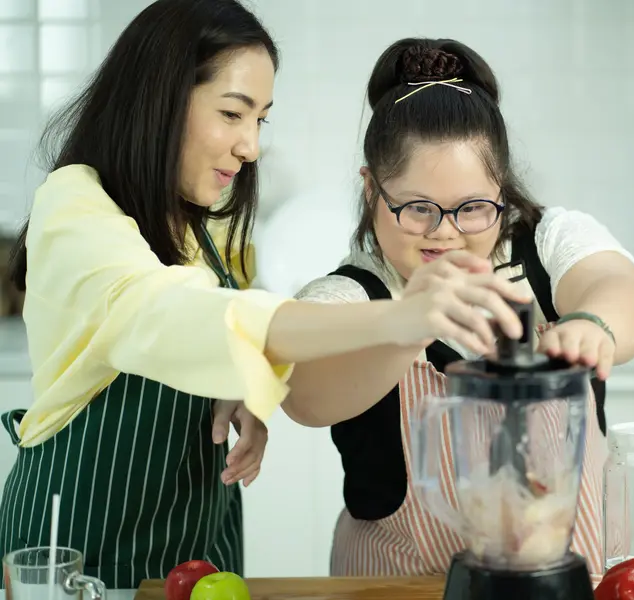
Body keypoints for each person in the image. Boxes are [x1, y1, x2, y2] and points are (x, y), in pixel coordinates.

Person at [0, 6, 528, 589]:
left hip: (200, 540)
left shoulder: (205, 219)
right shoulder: (74, 204)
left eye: (261, 121)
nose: (250, 146)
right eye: (232, 113)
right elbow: (164, 313)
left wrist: (244, 380)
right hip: (81, 543)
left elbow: (229, 322)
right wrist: (401, 318)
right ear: (160, 99)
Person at [288, 38, 634, 583]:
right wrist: (410, 323)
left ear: (500, 189)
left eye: (473, 208)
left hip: (572, 575)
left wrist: (592, 324)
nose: (447, 233)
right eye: (417, 209)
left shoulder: (547, 244)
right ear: (371, 192)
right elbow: (305, 393)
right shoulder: (354, 292)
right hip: (397, 585)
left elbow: (614, 283)